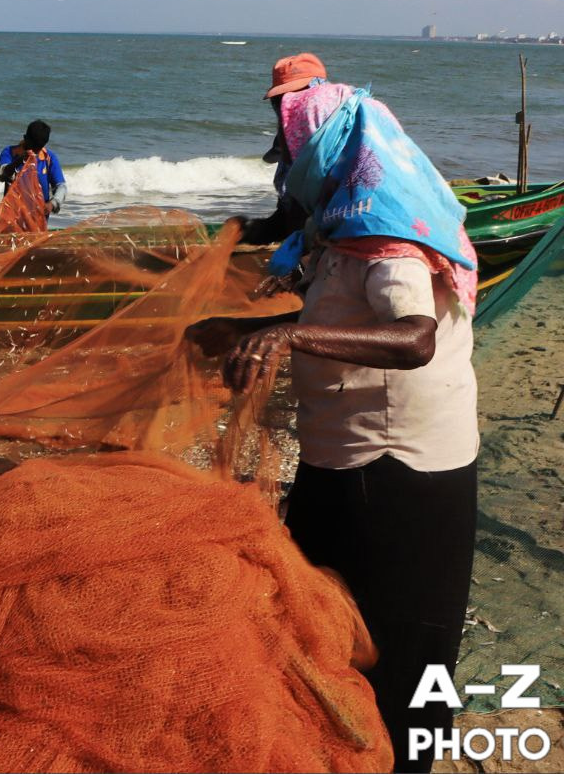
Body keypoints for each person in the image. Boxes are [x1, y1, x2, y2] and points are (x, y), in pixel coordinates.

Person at [190, 76, 479, 774]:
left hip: (402, 476)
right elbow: (333, 319)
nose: (280, 166)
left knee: (401, 658)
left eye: (288, 149)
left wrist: (287, 340)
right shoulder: (341, 226)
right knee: (312, 621)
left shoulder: (388, 241)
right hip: (340, 464)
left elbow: (414, 337)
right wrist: (248, 328)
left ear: (326, 150)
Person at [238, 53, 327, 246]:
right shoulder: (290, 133)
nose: (284, 105)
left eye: (294, 96)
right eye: (279, 100)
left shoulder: (336, 138)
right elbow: (287, 211)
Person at [0, 120, 66, 217]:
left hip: (38, 219)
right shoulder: (10, 152)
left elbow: (61, 186)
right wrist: (18, 161)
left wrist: (52, 204)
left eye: (38, 148)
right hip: (11, 218)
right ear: (25, 138)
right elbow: (1, 175)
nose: (34, 152)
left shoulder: (49, 158)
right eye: (32, 147)